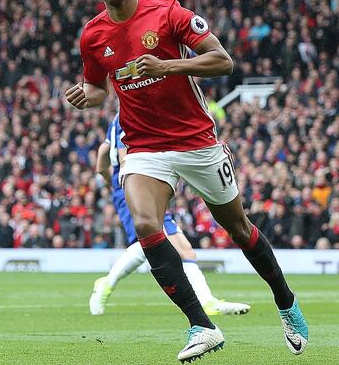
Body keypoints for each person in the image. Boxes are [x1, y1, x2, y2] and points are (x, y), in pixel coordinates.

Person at [65, 0, 307, 362]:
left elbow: (222, 61)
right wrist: (85, 97)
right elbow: (98, 88)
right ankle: (202, 326)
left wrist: (167, 66)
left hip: (197, 142)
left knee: (239, 228)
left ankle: (285, 301)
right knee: (145, 224)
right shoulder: (93, 35)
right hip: (143, 146)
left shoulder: (169, 13)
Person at [89, 112, 251, 317]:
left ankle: (207, 302)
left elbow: (103, 155)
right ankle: (106, 284)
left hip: (142, 186)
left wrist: (110, 182)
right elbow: (124, 156)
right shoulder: (131, 113)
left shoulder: (120, 116)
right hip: (137, 186)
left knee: (184, 251)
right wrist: (126, 186)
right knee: (151, 241)